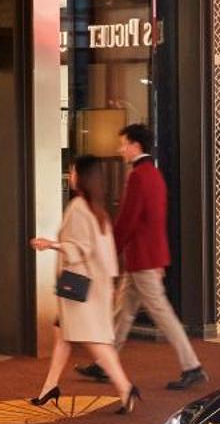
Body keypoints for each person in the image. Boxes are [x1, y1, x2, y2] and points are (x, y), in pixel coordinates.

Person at [76, 124, 207, 390]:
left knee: (162, 313)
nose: (120, 149)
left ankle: (192, 366)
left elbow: (128, 219)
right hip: (147, 257)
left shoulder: (138, 176)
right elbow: (155, 221)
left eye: (124, 144)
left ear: (136, 146)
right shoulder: (154, 174)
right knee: (123, 312)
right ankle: (105, 363)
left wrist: (109, 250)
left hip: (142, 260)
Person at [30, 155, 140, 414]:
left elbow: (79, 248)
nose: (70, 175)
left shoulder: (79, 207)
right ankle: (49, 386)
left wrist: (50, 244)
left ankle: (125, 388)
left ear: (81, 177)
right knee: (63, 333)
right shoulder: (97, 209)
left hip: (80, 288)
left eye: (72, 171)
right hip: (93, 285)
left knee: (92, 340)